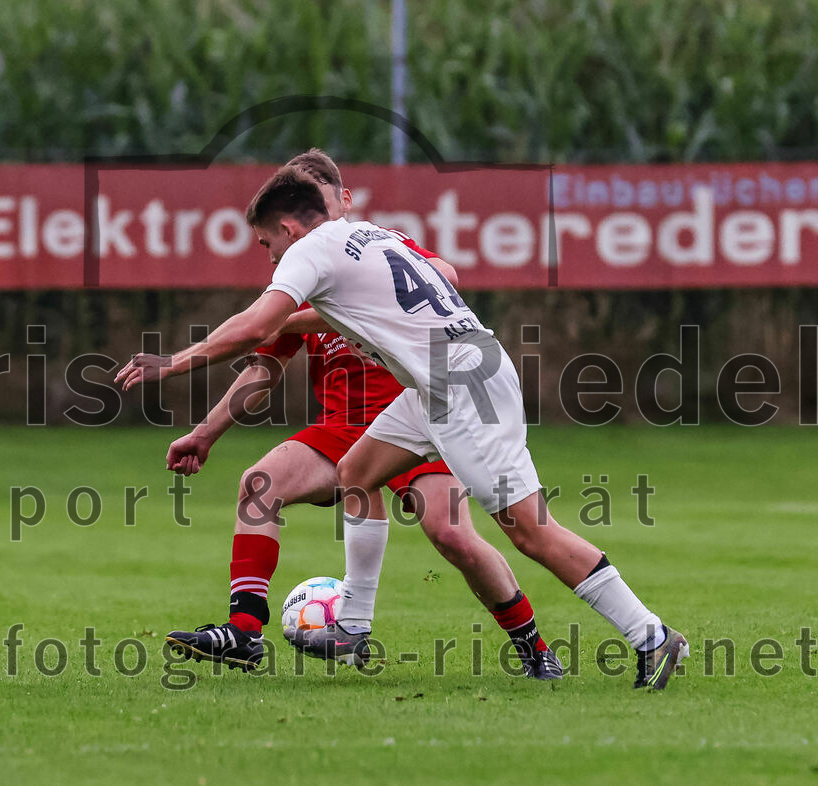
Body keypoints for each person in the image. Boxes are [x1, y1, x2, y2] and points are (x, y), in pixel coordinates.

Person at [116, 165, 687, 690]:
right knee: (356, 473)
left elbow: (255, 329)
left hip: (464, 388)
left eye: (268, 245)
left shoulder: (312, 251)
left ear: (288, 227)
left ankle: (650, 635)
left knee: (529, 531)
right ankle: (353, 626)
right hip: (443, 382)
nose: (270, 259)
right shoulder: (372, 236)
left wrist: (172, 362)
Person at [156, 151, 562, 679]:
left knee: (452, 534)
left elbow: (443, 272)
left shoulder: (370, 247)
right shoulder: (296, 276)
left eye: (329, 197)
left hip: (416, 420)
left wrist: (306, 316)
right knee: (261, 484)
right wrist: (205, 433)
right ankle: (244, 633)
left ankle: (534, 648)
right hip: (342, 428)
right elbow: (262, 369)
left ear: (341, 201)